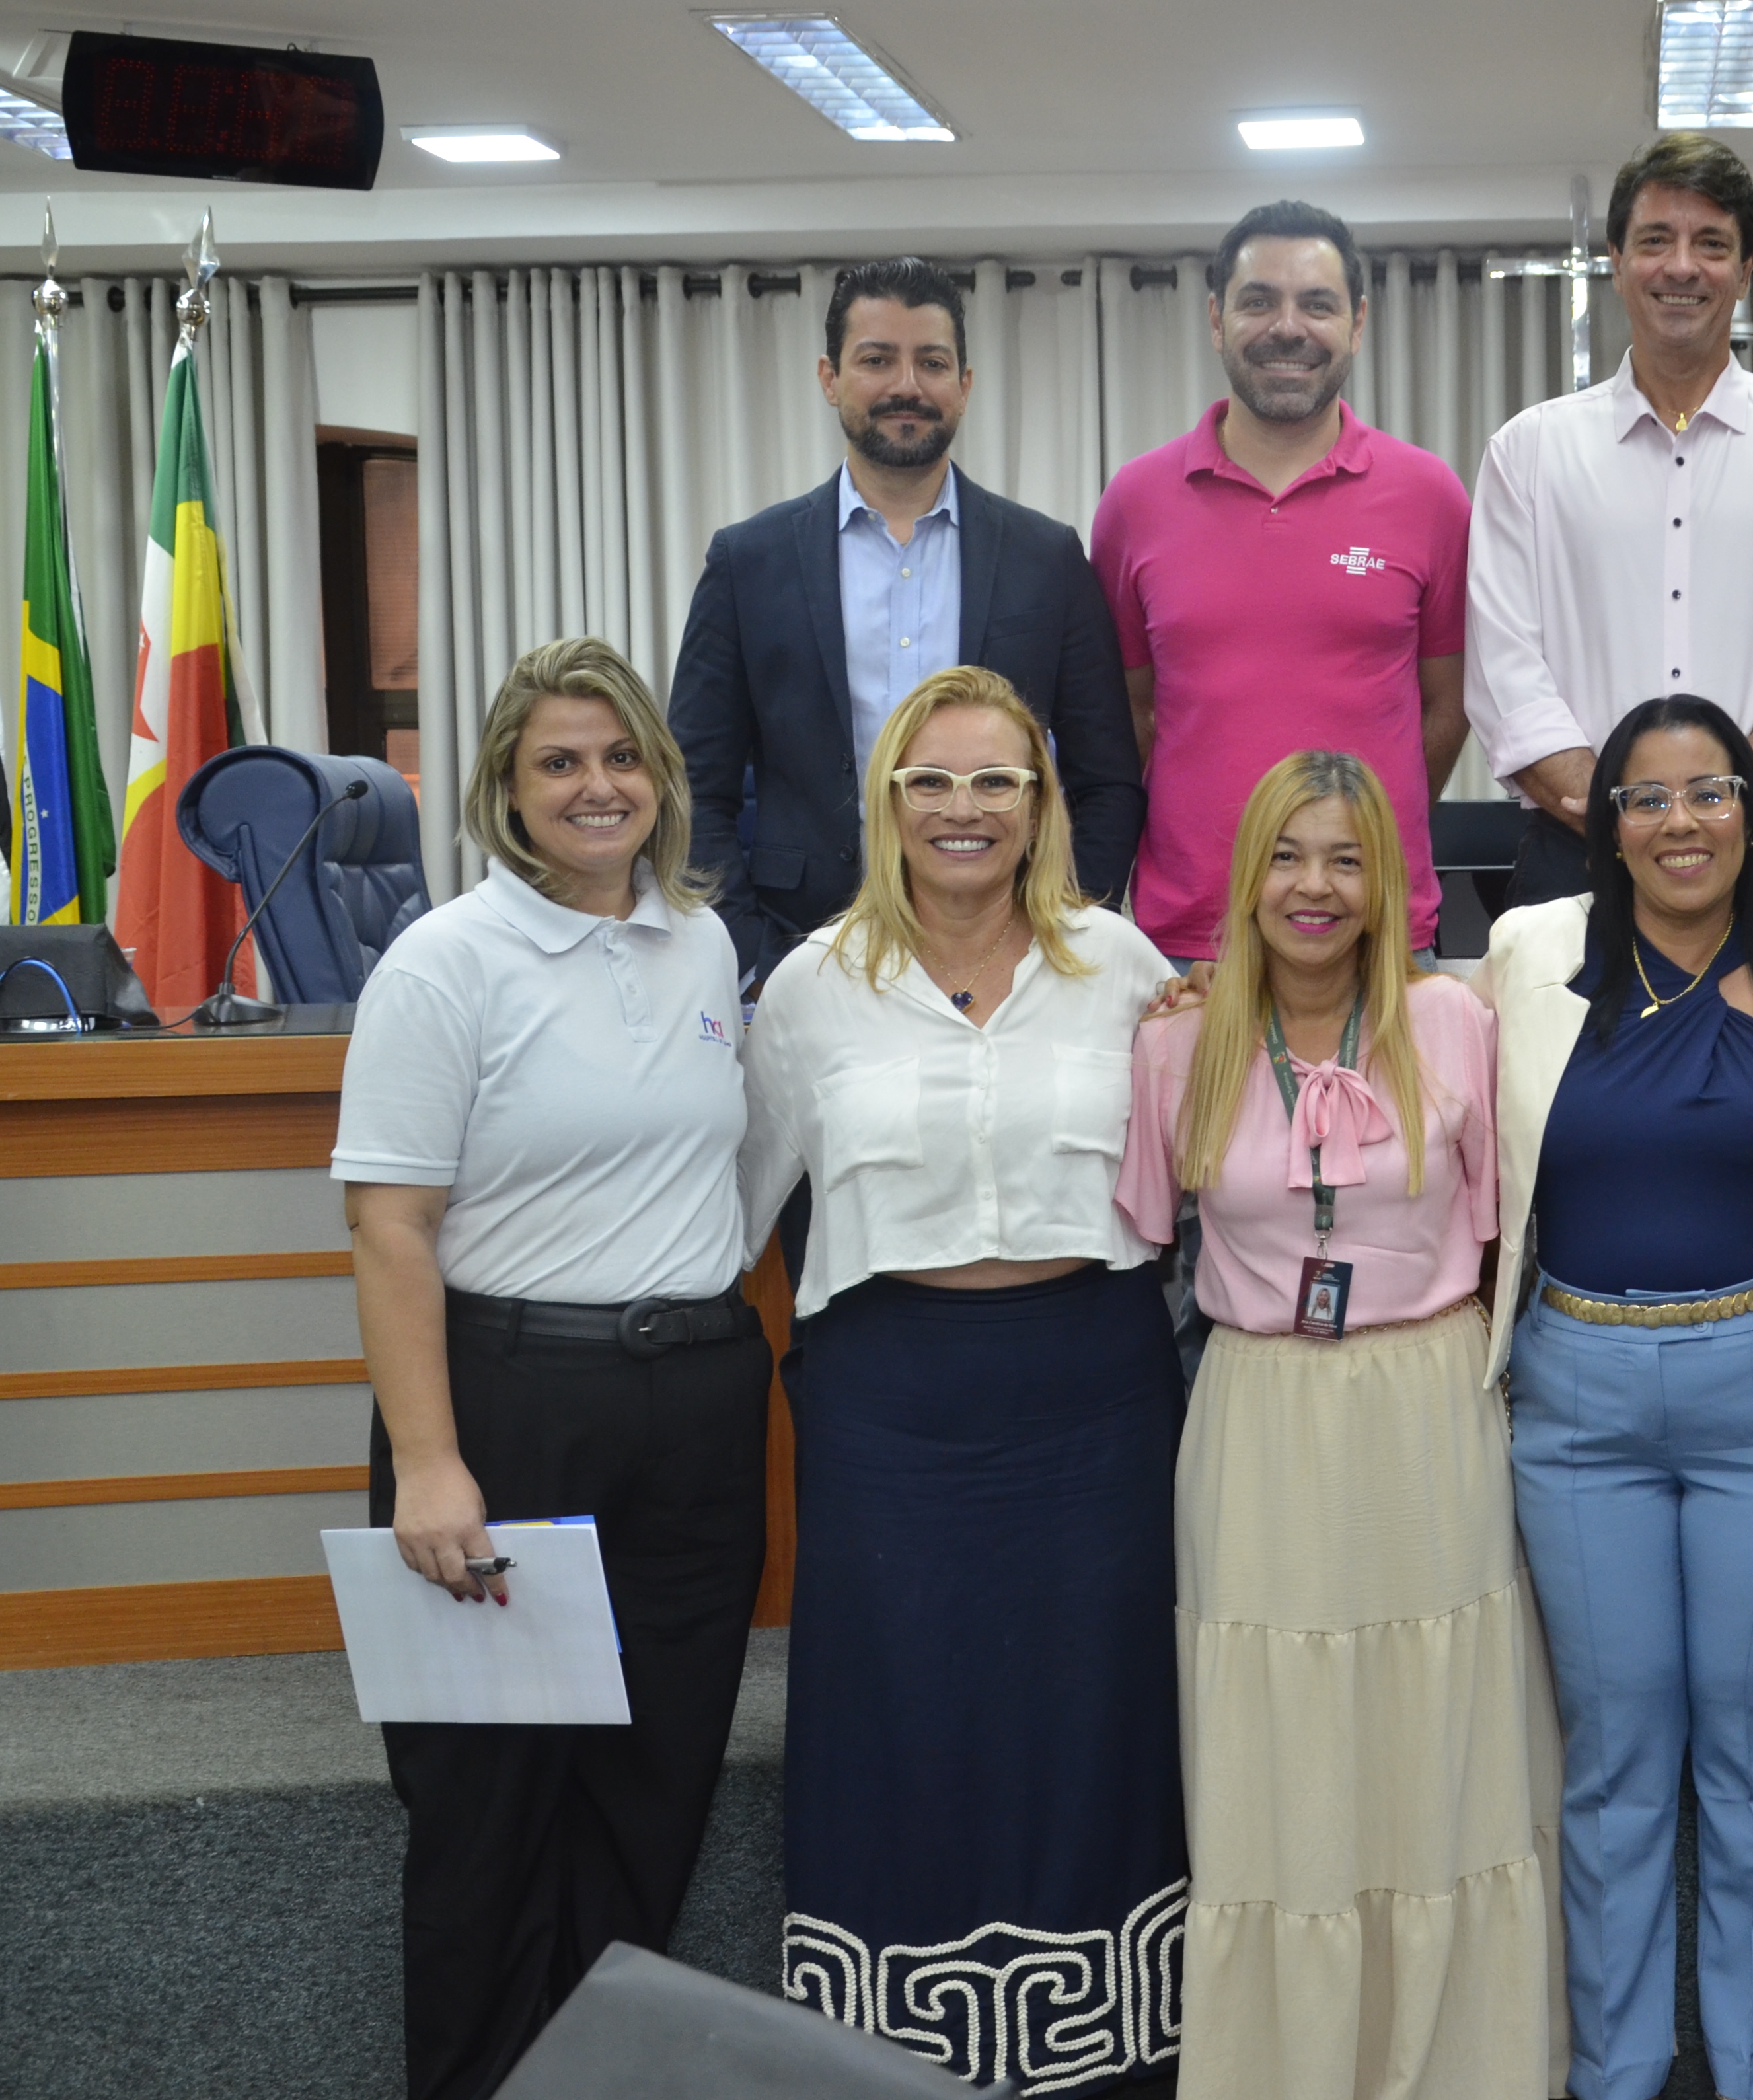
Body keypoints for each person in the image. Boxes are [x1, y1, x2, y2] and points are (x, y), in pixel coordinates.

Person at [741, 666, 1186, 2089]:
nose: (963, 807)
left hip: (1096, 1398)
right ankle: (897, 2055)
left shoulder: (1122, 967)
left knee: (1098, 1713)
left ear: (1041, 805)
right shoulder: (811, 988)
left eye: (997, 779)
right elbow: (732, 1213)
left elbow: (1206, 1166)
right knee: (900, 1716)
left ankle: (1110, 2051)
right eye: (929, 779)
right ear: (884, 801)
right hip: (890, 1409)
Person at [1480, 693, 1753, 2100]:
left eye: (1711, 790)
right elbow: (1388, 1040)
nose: (1681, 821)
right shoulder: (1525, 955)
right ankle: (1614, 2071)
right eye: (1648, 797)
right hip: (1577, 1402)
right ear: (1606, 826)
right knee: (1615, 1757)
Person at [336, 636, 768, 2100]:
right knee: (488, 1817)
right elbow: (389, 1225)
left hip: (696, 1406)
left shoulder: (702, 943)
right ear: (507, 791)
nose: (598, 786)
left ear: (662, 774)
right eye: (559, 762)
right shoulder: (445, 959)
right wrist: (429, 1462)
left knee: (652, 1798)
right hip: (511, 1409)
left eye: (621, 755)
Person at [1113, 752, 1563, 2100]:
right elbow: (1145, 1233)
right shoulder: (1175, 1041)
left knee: (1439, 1735)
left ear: (1390, 883)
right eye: (1288, 856)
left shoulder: (1453, 1021)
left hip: (1425, 1408)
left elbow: (1502, 1226)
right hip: (1259, 1417)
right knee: (1276, 1741)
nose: (1315, 887)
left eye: (1347, 858)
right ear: (1245, 875)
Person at [1465, 130, 1753, 936]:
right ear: (1617, 260)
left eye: (1712, 245)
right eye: (1656, 240)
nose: (1682, 267)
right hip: (1574, 850)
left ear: (1746, 268)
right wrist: (1625, 810)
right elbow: (1505, 676)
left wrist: (1704, 804)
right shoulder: (1527, 451)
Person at [672, 257, 1144, 983]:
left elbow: (1106, 781)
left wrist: (1058, 928)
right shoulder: (749, 562)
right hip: (801, 951)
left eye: (931, 362)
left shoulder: (1045, 558)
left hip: (1008, 956)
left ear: (965, 384)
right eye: (876, 360)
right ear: (829, 378)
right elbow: (692, 784)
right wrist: (747, 949)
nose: (906, 386)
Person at [1095, 200, 1472, 962]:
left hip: (1378, 934)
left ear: (1357, 323)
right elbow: (1130, 717)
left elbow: (1447, 706)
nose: (1287, 328)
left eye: (1317, 304)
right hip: (1191, 945)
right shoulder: (1135, 502)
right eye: (1259, 301)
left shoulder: (1430, 495)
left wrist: (1359, 828)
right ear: (1216, 319)